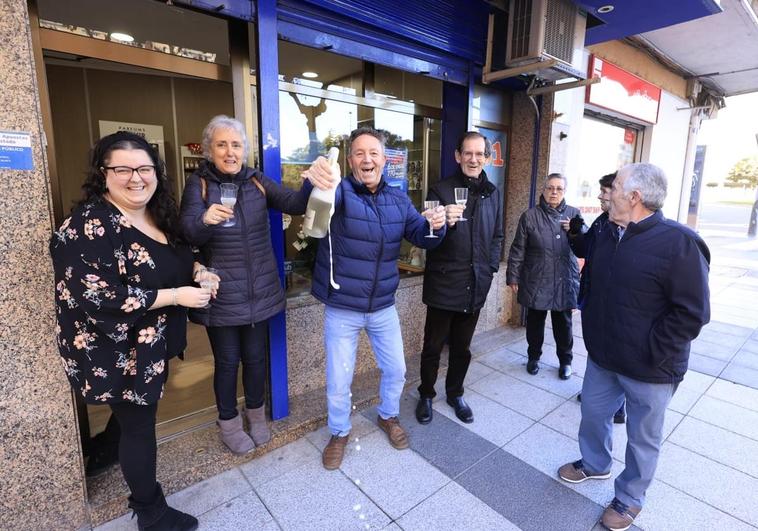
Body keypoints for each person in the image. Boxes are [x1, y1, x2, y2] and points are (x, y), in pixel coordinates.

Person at [51, 131, 212, 530]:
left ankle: (106, 449)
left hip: (151, 346)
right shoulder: (87, 224)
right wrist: (176, 295)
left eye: (144, 168)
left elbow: (179, 255)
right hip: (115, 350)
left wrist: (200, 271)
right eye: (122, 168)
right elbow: (100, 296)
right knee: (140, 427)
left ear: (157, 172)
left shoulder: (158, 211)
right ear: (102, 173)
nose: (135, 177)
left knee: (131, 415)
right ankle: (151, 512)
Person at [558, 163, 710, 531]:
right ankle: (595, 463)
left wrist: (651, 349)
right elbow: (593, 276)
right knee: (593, 414)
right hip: (604, 355)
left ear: (635, 197)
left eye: (616, 187)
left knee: (643, 438)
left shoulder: (679, 243)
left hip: (650, 366)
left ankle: (629, 498)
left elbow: (693, 313)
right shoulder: (606, 230)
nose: (607, 193)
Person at [180, 115, 336, 455]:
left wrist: (309, 181)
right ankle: (229, 423)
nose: (230, 151)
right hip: (222, 293)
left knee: (255, 359)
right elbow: (187, 233)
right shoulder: (199, 184)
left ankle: (256, 415)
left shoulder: (257, 182)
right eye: (222, 145)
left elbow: (294, 204)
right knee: (226, 362)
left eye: (236, 145)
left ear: (244, 150)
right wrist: (205, 219)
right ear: (210, 150)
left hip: (259, 290)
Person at [303, 126, 446, 470]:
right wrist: (316, 180)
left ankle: (388, 415)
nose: (367, 159)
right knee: (339, 379)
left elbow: (421, 236)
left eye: (374, 153)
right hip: (343, 306)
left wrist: (436, 225)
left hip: (383, 306)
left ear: (385, 160)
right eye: (359, 153)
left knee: (396, 369)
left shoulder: (398, 199)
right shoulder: (339, 193)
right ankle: (338, 432)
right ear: (350, 160)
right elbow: (316, 203)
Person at [415, 131, 503, 425]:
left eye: (480, 154)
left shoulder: (493, 192)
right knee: (432, 346)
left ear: (487, 158)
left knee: (463, 348)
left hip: (476, 284)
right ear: (457, 156)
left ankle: (455, 393)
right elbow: (426, 237)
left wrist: (490, 269)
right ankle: (426, 394)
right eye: (468, 153)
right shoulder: (439, 190)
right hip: (444, 283)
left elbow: (497, 236)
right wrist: (443, 225)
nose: (474, 159)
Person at [506, 173, 580, 380]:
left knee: (563, 324)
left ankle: (565, 361)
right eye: (550, 188)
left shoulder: (574, 214)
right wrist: (513, 276)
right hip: (536, 277)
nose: (554, 192)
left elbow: (585, 245)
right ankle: (533, 357)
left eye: (559, 189)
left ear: (564, 191)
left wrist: (576, 231)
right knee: (535, 321)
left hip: (564, 278)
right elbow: (518, 249)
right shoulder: (530, 216)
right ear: (544, 190)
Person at [567, 172, 626, 424]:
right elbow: (584, 249)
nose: (600, 195)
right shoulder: (603, 221)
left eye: (605, 190)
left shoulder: (638, 230)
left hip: (620, 310)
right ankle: (601, 396)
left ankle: (618, 406)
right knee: (599, 353)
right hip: (596, 303)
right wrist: (575, 232)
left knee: (619, 357)